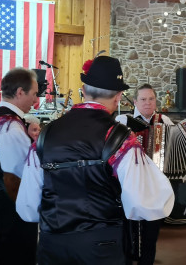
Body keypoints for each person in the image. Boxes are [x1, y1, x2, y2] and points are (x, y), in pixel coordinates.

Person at [16, 56, 175, 265]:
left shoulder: (47, 134)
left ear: (83, 90)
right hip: (101, 247)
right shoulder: (120, 137)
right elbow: (145, 203)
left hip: (52, 245)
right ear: (118, 97)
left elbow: (27, 207)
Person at [116, 83, 186, 265]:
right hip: (129, 185)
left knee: (151, 233)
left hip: (154, 187)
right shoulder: (122, 122)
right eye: (143, 99)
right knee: (127, 231)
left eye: (151, 99)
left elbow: (180, 141)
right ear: (134, 102)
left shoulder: (164, 121)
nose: (148, 103)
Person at [0, 67, 39, 265]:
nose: (36, 100)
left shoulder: (5, 121)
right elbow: (23, 175)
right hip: (10, 215)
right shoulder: (11, 128)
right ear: (20, 92)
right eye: (34, 94)